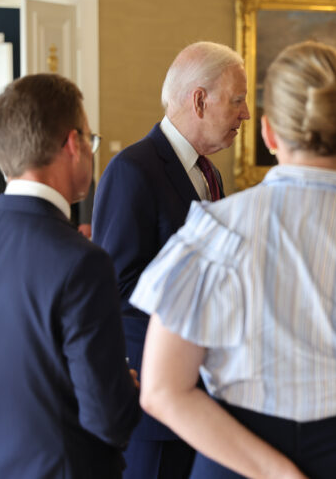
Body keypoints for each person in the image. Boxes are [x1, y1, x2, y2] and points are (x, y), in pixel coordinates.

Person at [130, 41, 336, 479]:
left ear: (268, 133)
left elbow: (160, 390)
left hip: (235, 463)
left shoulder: (211, 234)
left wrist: (275, 471)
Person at [0, 74, 140, 478]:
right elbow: (109, 420)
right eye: (91, 140)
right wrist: (126, 391)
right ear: (72, 144)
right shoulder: (83, 263)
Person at [92, 40, 250, 478]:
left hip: (206, 391)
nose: (246, 114)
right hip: (156, 399)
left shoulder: (210, 173)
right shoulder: (132, 170)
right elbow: (118, 288)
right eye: (238, 101)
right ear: (200, 100)